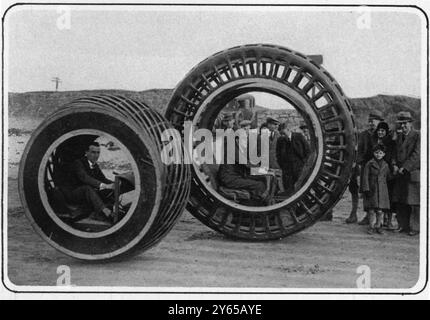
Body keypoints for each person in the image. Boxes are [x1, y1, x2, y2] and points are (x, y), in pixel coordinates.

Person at [217, 120, 270, 204]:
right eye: (244, 138)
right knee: (259, 185)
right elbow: (246, 164)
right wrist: (263, 170)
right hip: (229, 178)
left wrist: (263, 170)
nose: (246, 140)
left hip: (235, 176)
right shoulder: (232, 147)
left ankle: (258, 203)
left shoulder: (237, 147)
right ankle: (254, 207)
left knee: (263, 179)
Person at [60, 142, 115, 222]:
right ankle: (106, 212)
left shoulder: (95, 165)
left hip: (83, 194)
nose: (96, 155)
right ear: (86, 152)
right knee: (87, 188)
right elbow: (85, 178)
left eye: (98, 152)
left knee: (99, 189)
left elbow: (103, 179)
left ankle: (106, 210)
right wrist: (105, 185)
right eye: (93, 152)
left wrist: (114, 183)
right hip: (71, 193)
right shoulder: (78, 163)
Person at [346, 110, 384, 224]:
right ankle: (367, 216)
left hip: (379, 168)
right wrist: (361, 162)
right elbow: (359, 151)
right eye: (370, 121)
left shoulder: (382, 135)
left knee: (379, 192)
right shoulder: (363, 135)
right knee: (366, 192)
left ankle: (381, 220)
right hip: (366, 168)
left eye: (374, 121)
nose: (371, 123)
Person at [392, 111, 420, 236]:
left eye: (405, 124)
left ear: (410, 124)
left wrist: (405, 167)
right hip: (400, 173)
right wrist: (394, 165)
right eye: (400, 124)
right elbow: (394, 153)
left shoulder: (418, 136)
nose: (402, 126)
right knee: (401, 200)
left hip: (412, 173)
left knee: (414, 202)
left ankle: (415, 227)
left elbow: (417, 155)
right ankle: (402, 226)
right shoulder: (398, 137)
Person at [361, 144, 392, 235]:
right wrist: (366, 188)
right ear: (374, 153)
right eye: (376, 153)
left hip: (382, 190)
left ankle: (378, 226)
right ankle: (371, 226)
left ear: (384, 154)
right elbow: (365, 177)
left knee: (380, 210)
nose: (378, 155)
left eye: (380, 153)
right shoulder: (369, 164)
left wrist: (395, 173)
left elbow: (389, 177)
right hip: (372, 189)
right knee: (371, 210)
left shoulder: (386, 165)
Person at [373, 121, 397, 230]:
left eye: (382, 131)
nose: (380, 132)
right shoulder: (374, 141)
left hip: (388, 172)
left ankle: (389, 220)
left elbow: (393, 156)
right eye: (379, 130)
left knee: (390, 197)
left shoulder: (391, 143)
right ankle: (379, 221)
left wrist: (391, 167)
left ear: (386, 132)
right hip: (378, 173)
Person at [276, 122, 310, 195]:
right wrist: (282, 166)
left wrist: (304, 163)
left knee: (301, 189)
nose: (282, 136)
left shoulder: (299, 137)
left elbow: (307, 151)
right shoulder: (280, 140)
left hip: (299, 168)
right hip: (287, 170)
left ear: (288, 130)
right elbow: (278, 155)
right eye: (281, 134)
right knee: (289, 189)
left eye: (283, 133)